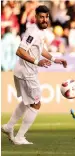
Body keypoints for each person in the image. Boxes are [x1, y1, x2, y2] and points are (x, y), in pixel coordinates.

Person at [1, 5, 67, 145]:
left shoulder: (39, 31)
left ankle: (8, 127)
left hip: (23, 71)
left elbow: (40, 48)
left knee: (28, 101)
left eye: (46, 17)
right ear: (36, 17)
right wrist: (37, 62)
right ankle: (19, 137)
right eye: (41, 17)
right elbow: (20, 51)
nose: (44, 19)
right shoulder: (33, 32)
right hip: (27, 73)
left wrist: (54, 59)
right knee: (36, 104)